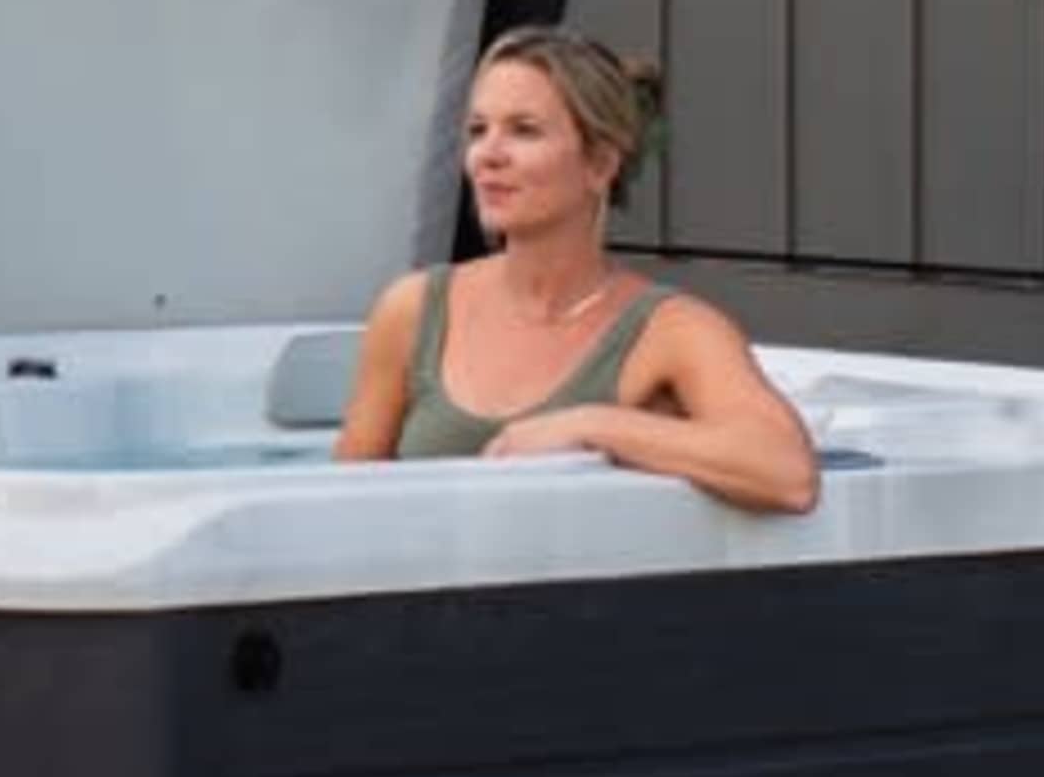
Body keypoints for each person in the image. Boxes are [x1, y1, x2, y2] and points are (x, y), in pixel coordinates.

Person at [332, 27, 819, 509]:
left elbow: (786, 473)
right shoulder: (414, 309)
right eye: (479, 130)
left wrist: (592, 425)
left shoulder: (670, 331)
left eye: (524, 130)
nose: (488, 155)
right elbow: (335, 506)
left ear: (600, 163)